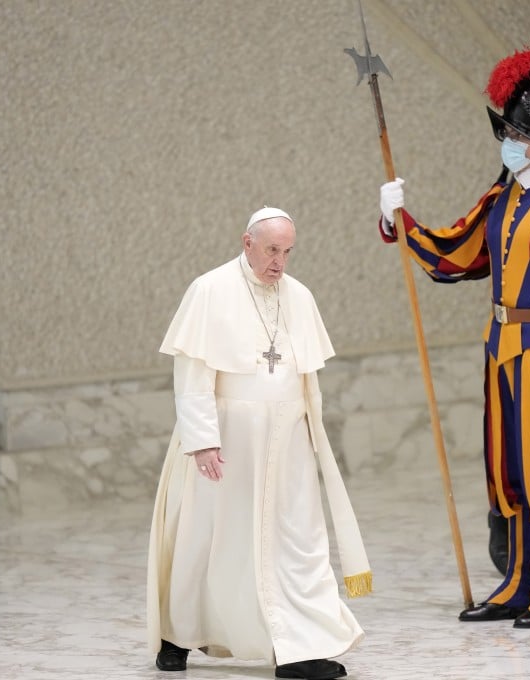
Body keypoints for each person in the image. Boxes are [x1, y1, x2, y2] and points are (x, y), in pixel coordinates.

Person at [376, 45, 530, 628]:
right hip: (501, 352)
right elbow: (455, 254)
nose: (507, 141)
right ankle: (517, 582)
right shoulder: (501, 199)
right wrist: (397, 222)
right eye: (505, 130)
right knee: (509, 471)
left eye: (516, 133)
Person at [146, 207, 370, 680]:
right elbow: (192, 375)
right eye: (271, 250)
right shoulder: (209, 290)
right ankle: (177, 635)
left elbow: (307, 377)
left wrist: (308, 434)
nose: (279, 262)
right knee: (206, 538)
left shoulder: (299, 296)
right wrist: (203, 440)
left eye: (287, 252)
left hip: (286, 442)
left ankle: (298, 648)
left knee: (296, 542)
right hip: (227, 441)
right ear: (247, 242)